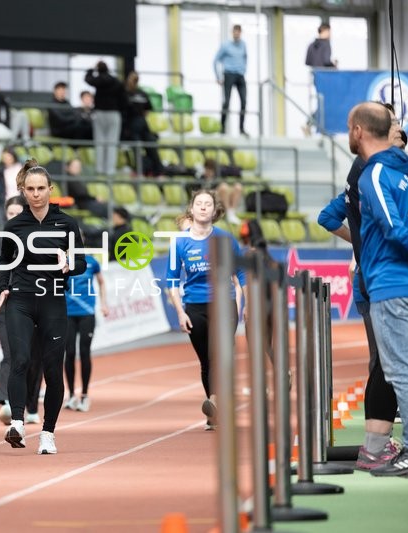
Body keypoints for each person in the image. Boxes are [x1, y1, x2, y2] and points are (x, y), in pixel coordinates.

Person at [317, 102, 403, 471]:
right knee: (388, 363)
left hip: (375, 273)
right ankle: (377, 445)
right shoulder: (373, 168)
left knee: (387, 361)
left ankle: (379, 443)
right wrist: (364, 244)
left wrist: (361, 242)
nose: (397, 130)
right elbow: (397, 227)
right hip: (382, 276)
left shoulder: (370, 170)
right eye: (392, 125)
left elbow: (328, 216)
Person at [0, 160, 87, 454]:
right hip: (20, 301)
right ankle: (18, 424)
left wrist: (68, 264)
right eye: (30, 189)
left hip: (52, 301)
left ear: (50, 189)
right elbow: (5, 264)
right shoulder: (14, 225)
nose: (36, 194)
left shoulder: (67, 224)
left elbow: (81, 263)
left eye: (40, 189)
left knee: (52, 369)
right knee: (19, 359)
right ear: (22, 190)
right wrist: (3, 290)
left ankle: (48, 433)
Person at [349, 102, 408, 477]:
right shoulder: (407, 172)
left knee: (403, 373)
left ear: (359, 131)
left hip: (393, 284)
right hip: (407, 282)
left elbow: (394, 228)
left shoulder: (373, 175)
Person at [165, 189, 246, 430]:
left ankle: (215, 401)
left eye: (207, 204)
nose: (202, 207)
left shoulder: (225, 239)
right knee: (206, 361)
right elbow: (171, 281)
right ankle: (214, 412)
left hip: (224, 303)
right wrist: (180, 312)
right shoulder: (179, 242)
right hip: (194, 307)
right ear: (191, 209)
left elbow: (240, 274)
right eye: (198, 203)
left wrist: (244, 305)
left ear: (214, 210)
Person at [0, 196, 42, 425]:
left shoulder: (37, 237)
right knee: (11, 354)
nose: (14, 218)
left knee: (34, 358)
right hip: (5, 303)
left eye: (19, 213)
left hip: (34, 303)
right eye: (10, 214)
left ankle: (32, 404)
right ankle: (7, 402)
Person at [64, 247, 108, 412]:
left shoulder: (91, 262)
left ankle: (84, 394)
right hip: (67, 313)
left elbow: (101, 282)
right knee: (69, 352)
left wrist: (104, 303)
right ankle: (71, 395)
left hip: (87, 313)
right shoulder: (62, 261)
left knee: (84, 352)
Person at [85, 62, 125, 177]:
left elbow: (88, 79)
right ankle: (110, 170)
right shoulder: (116, 81)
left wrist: (90, 70)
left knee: (100, 142)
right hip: (113, 113)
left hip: (100, 113)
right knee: (112, 143)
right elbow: (124, 99)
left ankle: (99, 169)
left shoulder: (99, 80)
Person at [214, 24, 248, 136]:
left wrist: (243, 69)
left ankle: (241, 129)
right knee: (227, 102)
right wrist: (218, 77)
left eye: (238, 31)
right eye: (235, 31)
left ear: (240, 32)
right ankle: (222, 127)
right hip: (228, 75)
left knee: (244, 101)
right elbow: (215, 61)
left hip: (240, 75)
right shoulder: (225, 45)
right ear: (232, 32)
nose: (236, 33)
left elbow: (245, 58)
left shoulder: (243, 45)